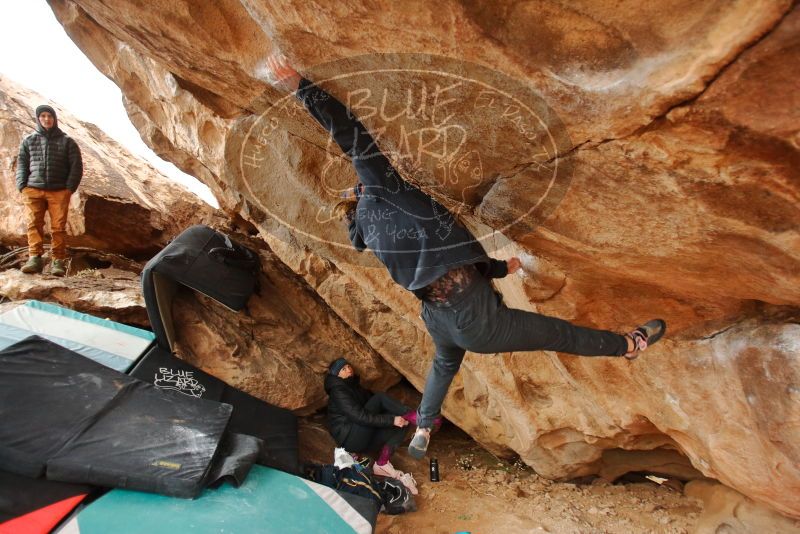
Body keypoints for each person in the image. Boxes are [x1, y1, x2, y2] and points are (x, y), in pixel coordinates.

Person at [267, 56, 666, 461]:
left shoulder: (367, 230)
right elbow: (351, 135)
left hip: (439, 314)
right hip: (472, 317)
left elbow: (440, 257)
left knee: (444, 364)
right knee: (556, 334)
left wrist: (497, 268)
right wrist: (302, 87)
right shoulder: (380, 186)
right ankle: (627, 345)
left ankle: (424, 424)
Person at [324, 357, 422, 493]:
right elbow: (359, 416)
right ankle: (414, 416)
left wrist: (396, 419)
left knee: (402, 424)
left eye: (348, 366)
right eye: (343, 369)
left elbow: (374, 409)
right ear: (336, 375)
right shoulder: (338, 391)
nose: (349, 370)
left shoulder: (355, 387)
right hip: (350, 438)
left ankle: (382, 464)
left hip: (363, 437)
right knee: (380, 399)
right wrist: (391, 419)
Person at [15, 104, 83, 277]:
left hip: (59, 191)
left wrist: (69, 189)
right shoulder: (29, 140)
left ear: (54, 118)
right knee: (33, 225)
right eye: (43, 116)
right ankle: (34, 259)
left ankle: (58, 262)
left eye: (49, 116)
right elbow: (22, 164)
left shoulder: (67, 141)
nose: (46, 119)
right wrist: (22, 185)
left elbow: (76, 167)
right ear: (38, 118)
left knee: (58, 228)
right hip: (33, 190)